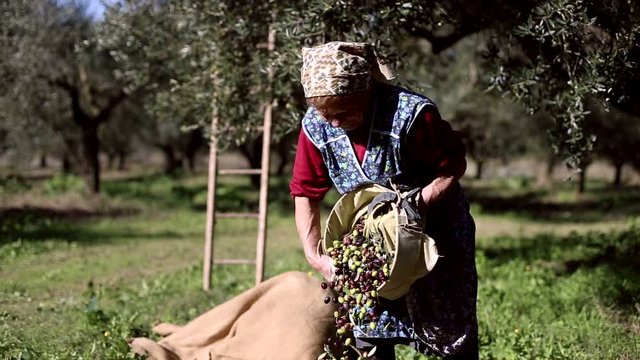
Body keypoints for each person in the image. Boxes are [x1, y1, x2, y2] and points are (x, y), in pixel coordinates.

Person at [290, 42, 478, 359]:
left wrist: (415, 206)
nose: (333, 122)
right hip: (370, 245)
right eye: (325, 113)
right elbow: (306, 191)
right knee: (369, 337)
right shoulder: (316, 125)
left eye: (343, 110)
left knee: (450, 334)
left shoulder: (412, 115)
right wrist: (315, 255)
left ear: (367, 90)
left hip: (434, 236)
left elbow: (451, 167)